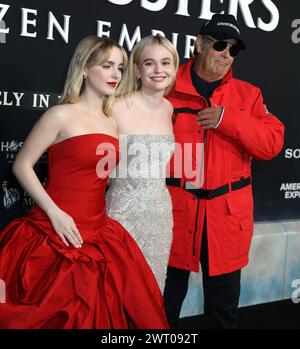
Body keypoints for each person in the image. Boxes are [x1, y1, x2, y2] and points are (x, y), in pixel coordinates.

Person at [0, 35, 169, 329]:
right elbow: (22, 165)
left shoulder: (112, 120)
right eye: (107, 66)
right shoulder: (60, 115)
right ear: (83, 69)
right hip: (54, 230)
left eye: (120, 67)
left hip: (99, 230)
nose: (116, 74)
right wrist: (55, 213)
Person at [163, 14, 285, 328]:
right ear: (199, 43)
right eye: (219, 44)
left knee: (224, 311)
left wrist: (225, 119)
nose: (226, 54)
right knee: (161, 308)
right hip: (174, 216)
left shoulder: (249, 95)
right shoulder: (165, 84)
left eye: (233, 50)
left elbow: (272, 143)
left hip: (226, 220)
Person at [106, 35, 179, 294]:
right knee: (115, 293)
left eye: (166, 63)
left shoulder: (169, 109)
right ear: (137, 69)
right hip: (120, 216)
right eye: (149, 63)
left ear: (174, 68)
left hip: (159, 216)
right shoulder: (114, 107)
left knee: (151, 293)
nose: (159, 70)